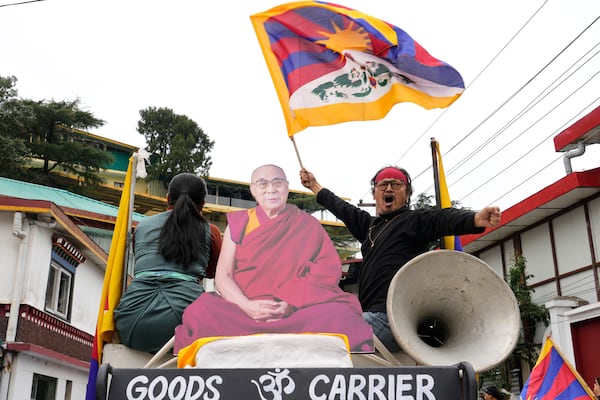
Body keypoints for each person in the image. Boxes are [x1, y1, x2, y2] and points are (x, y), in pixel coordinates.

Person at [174, 164, 374, 353]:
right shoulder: (239, 223)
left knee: (342, 315)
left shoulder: (307, 224)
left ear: (286, 188)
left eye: (277, 182)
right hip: (244, 310)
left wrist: (290, 301)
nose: (271, 189)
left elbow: (327, 269)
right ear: (253, 190)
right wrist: (248, 306)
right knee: (201, 311)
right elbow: (223, 275)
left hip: (298, 309)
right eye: (262, 183)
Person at [299, 165, 502, 352]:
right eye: (383, 185)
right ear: (375, 193)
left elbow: (442, 218)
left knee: (318, 330)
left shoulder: (414, 220)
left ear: (406, 193)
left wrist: (475, 219)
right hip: (369, 318)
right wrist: (314, 185)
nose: (389, 189)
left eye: (396, 184)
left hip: (392, 320)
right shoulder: (369, 227)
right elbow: (342, 208)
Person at [114, 173, 222, 353]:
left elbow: (141, 264)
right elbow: (211, 273)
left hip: (131, 321)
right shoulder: (210, 231)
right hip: (187, 323)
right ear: (203, 203)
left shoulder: (141, 227)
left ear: (167, 198)